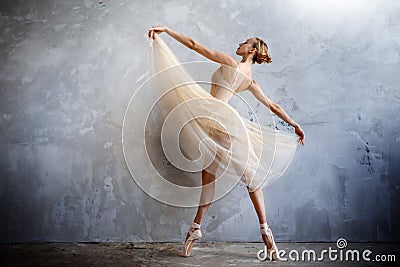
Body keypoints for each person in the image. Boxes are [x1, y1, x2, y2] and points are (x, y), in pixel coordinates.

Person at [148, 26, 305, 260]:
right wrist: (294, 124)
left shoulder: (230, 63)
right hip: (225, 123)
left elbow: (194, 45)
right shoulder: (250, 81)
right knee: (244, 177)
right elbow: (273, 106)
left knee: (215, 178)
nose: (240, 43)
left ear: (251, 50)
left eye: (245, 42)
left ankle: (197, 229)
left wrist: (167, 31)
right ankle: (264, 231)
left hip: (217, 120)